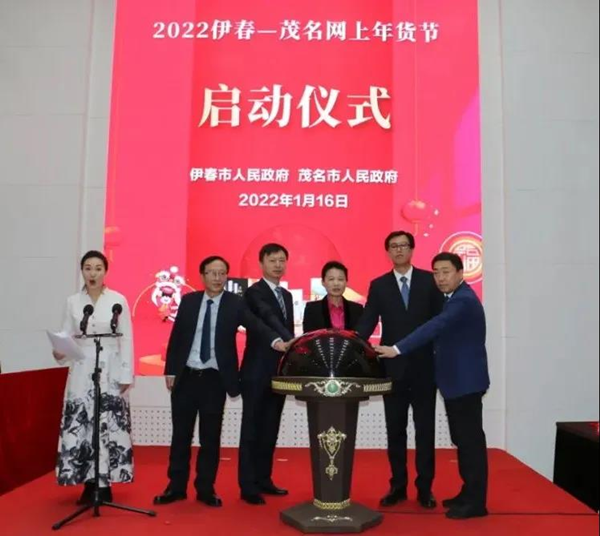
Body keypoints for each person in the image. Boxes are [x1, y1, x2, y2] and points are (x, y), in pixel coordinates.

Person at [154, 256, 287, 508]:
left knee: (210, 438)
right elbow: (177, 337)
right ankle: (176, 487)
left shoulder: (235, 303)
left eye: (222, 273)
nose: (217, 278)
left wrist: (276, 341)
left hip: (214, 380)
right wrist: (170, 370)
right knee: (180, 436)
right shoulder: (189, 301)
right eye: (212, 273)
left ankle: (205, 489)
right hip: (186, 377)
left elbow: (256, 325)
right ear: (202, 275)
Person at [375, 252, 490, 520]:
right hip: (456, 382)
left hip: (465, 382)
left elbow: (435, 326)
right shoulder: (454, 298)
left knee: (470, 443)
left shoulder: (462, 300)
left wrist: (397, 348)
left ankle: (476, 503)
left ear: (460, 273)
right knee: (462, 440)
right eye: (436, 272)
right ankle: (468, 494)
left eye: (446, 272)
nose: (440, 278)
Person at [356, 231, 442, 509]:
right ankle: (398, 486)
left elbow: (441, 322)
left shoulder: (429, 281)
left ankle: (425, 488)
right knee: (395, 430)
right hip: (392, 369)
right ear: (388, 252)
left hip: (425, 368)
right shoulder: (379, 285)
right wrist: (350, 344)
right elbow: (367, 322)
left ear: (412, 249)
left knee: (425, 430)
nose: (399, 250)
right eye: (393, 246)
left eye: (404, 245)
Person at [53, 250, 134, 505]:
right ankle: (88, 482)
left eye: (98, 268)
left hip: (110, 366)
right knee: (83, 423)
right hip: (81, 367)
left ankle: (105, 483)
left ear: (105, 271)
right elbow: (66, 335)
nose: (93, 273)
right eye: (88, 268)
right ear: (82, 271)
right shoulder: (73, 302)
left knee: (107, 423)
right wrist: (59, 352)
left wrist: (126, 373)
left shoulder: (118, 300)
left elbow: (126, 339)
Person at [238, 244, 296, 505]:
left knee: (270, 428)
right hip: (256, 371)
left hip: (278, 372)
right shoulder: (254, 292)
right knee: (251, 429)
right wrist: (285, 339)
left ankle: (264, 479)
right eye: (272, 260)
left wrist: (290, 345)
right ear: (261, 263)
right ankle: (248, 486)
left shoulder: (286, 295)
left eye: (282, 260)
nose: (278, 265)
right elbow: (266, 318)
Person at [303, 261, 364, 332]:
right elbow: (308, 336)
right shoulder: (312, 309)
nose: (336, 283)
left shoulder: (357, 310)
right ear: (323, 282)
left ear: (346, 282)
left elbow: (360, 336)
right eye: (331, 279)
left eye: (340, 279)